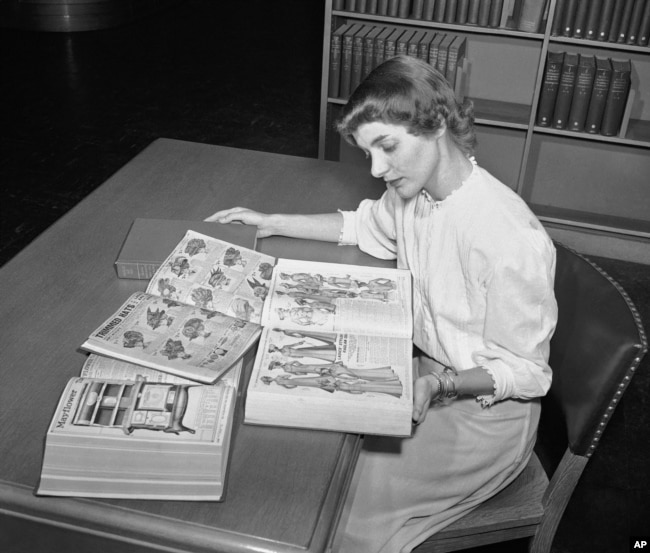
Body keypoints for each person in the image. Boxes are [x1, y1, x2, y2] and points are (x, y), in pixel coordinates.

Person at [205, 55, 557, 553]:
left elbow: (528, 372)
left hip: (483, 417)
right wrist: (271, 221)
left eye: (387, 147)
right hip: (419, 377)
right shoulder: (416, 192)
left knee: (340, 509)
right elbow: (363, 225)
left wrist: (440, 383)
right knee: (299, 457)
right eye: (368, 151)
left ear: (435, 125)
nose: (376, 168)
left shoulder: (507, 237)